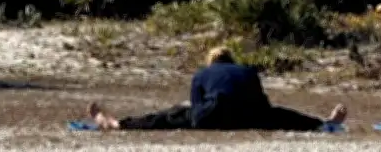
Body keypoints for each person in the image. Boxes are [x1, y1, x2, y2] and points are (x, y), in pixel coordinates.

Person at [88, 46, 347, 131]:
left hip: (214, 113)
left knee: (168, 116)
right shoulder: (248, 71)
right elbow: (263, 103)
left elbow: (196, 108)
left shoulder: (203, 73)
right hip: (252, 116)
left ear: (211, 62)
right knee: (284, 115)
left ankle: (116, 124)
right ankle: (324, 124)